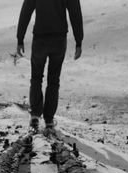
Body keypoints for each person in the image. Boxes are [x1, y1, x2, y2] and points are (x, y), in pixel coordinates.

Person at [17, 0, 83, 131]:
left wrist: (20, 39)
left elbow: (26, 11)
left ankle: (35, 115)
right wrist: (78, 41)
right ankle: (49, 120)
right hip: (59, 39)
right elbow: (75, 13)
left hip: (40, 39)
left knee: (36, 78)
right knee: (53, 80)